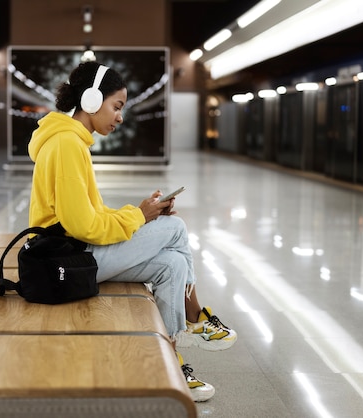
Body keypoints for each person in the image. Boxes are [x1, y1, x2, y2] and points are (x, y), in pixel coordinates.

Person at [27, 61, 237, 402]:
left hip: (75, 252)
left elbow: (89, 214)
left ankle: (169, 361)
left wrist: (140, 213)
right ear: (92, 100)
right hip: (71, 258)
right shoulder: (67, 145)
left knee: (172, 265)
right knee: (176, 227)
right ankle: (196, 318)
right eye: (117, 106)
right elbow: (84, 226)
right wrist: (140, 216)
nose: (119, 117)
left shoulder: (70, 141)